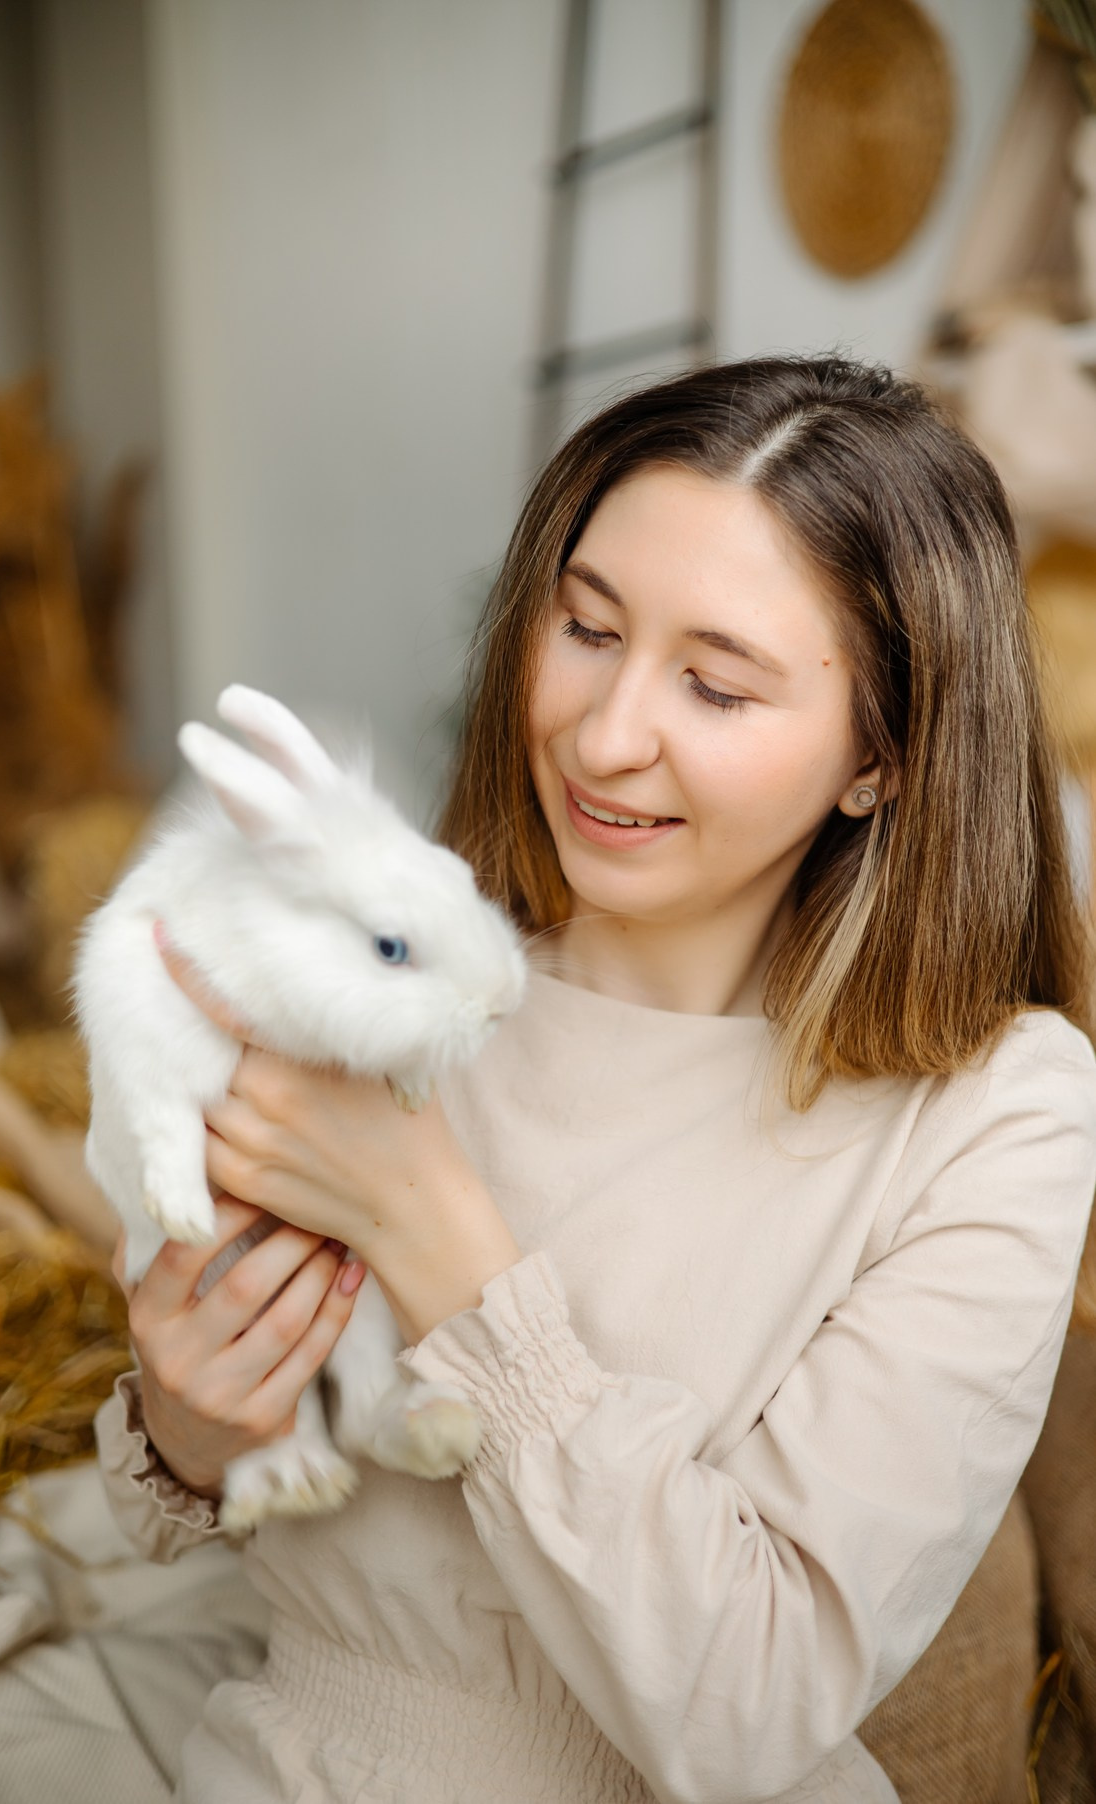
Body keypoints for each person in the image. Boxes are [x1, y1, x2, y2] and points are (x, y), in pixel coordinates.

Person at [94, 355, 1096, 1804]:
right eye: (585, 627)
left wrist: (434, 1233)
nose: (603, 731)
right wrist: (191, 1430)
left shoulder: (997, 1107)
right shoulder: (395, 988)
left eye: (715, 682)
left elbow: (749, 1707)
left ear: (880, 754)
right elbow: (238, 1507)